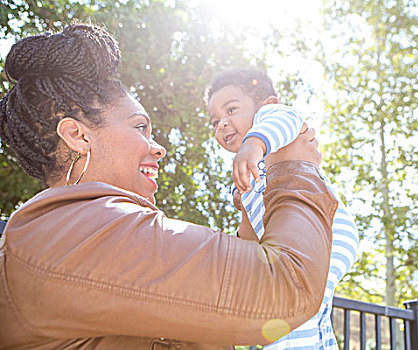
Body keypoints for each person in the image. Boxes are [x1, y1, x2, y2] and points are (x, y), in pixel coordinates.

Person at [0, 24, 339, 349]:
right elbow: (285, 286)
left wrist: (252, 216)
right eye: (139, 127)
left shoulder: (83, 230)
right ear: (77, 135)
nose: (158, 147)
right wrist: (294, 166)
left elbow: (235, 309)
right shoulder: (76, 233)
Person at [206, 68, 359, 349]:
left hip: (323, 231)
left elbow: (285, 120)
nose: (222, 124)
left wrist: (255, 142)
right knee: (307, 316)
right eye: (214, 121)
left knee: (289, 312)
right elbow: (251, 238)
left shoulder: (271, 127)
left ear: (267, 105)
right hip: (294, 246)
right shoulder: (245, 171)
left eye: (231, 110)